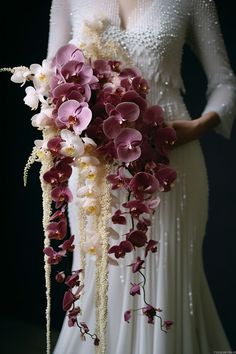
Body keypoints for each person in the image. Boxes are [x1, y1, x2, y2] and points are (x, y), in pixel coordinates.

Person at [48, 0, 236, 353]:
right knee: (97, 282)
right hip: (95, 173)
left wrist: (195, 127)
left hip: (171, 160)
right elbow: (52, 78)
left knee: (165, 280)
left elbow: (225, 83)